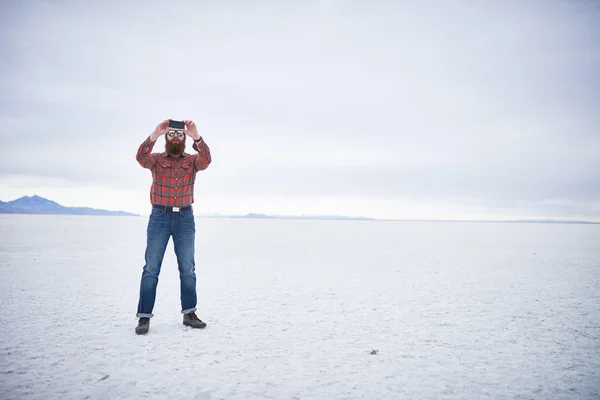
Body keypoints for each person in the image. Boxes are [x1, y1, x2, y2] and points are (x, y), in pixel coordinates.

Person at [134, 119, 212, 334]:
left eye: (179, 135)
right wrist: (155, 134)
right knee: (151, 269)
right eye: (171, 135)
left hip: (185, 218)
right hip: (159, 217)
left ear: (184, 139)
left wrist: (197, 136)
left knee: (188, 269)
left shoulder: (192, 161)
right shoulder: (157, 160)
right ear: (166, 139)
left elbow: (206, 160)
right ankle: (144, 318)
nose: (175, 137)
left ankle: (189, 314)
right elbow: (140, 157)